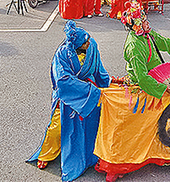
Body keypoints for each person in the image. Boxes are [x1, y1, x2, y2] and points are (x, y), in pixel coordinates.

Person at [28, 20, 110, 182]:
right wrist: (88, 91)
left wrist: (105, 84)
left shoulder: (91, 45)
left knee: (94, 120)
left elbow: (98, 66)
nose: (89, 42)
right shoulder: (62, 53)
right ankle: (47, 153)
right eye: (85, 42)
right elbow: (63, 80)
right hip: (69, 93)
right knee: (57, 126)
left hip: (90, 88)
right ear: (77, 45)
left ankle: (90, 153)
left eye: (88, 40)